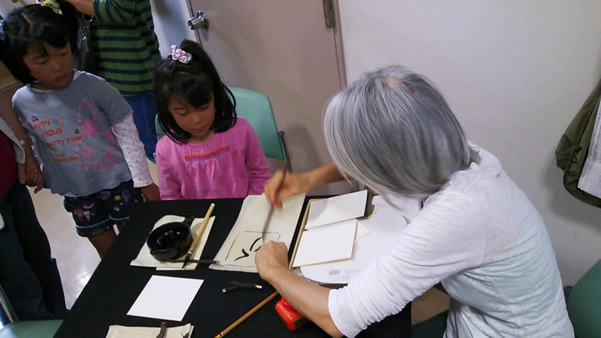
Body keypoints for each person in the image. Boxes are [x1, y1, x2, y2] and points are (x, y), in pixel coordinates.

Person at [257, 65, 574, 337]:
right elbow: (382, 153)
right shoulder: (452, 151)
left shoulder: (458, 213)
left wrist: (273, 269)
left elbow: (337, 318)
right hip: (481, 312)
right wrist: (308, 180)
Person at [0, 1, 159, 258]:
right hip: (76, 191)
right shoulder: (21, 101)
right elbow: (32, 138)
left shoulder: (94, 86)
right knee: (110, 255)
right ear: (21, 63)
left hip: (119, 183)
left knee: (140, 245)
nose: (57, 65)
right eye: (42, 60)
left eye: (62, 53)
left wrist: (143, 180)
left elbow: (127, 130)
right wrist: (33, 163)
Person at [153, 40, 271, 200]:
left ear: (216, 97)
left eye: (203, 108)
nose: (197, 120)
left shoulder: (241, 130)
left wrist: (249, 207)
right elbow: (170, 198)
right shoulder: (166, 149)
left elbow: (261, 175)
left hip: (245, 213)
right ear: (168, 111)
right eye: (183, 113)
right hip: (198, 221)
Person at [0, 91, 67, 320]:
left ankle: (61, 319)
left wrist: (25, 151)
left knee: (38, 254)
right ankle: (41, 327)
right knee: (15, 273)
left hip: (10, 181)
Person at [65, 0, 160, 160]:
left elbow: (118, 11)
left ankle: (177, 181)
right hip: (111, 69)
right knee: (132, 140)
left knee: (151, 143)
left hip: (132, 74)